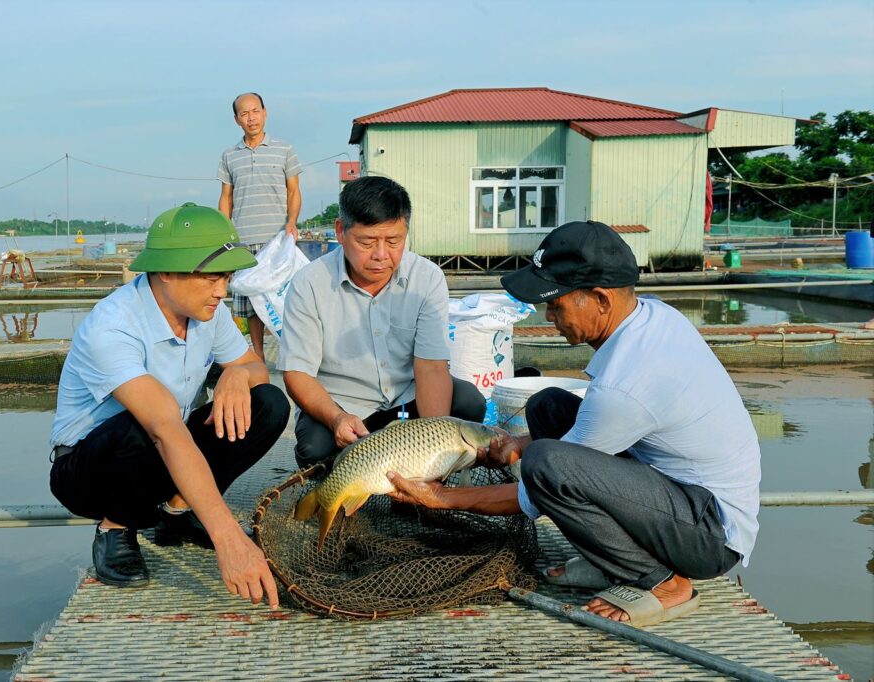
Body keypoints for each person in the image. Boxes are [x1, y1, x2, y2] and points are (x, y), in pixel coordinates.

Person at [387, 220, 761, 627]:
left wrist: (441, 498)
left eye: (557, 303)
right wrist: (519, 443)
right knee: (548, 407)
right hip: (680, 496)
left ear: (600, 298)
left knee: (546, 463)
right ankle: (613, 563)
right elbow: (588, 436)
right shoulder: (651, 316)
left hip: (710, 535)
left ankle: (664, 583)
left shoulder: (626, 386)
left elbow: (539, 487)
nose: (549, 316)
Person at [49, 203, 289, 607]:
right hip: (91, 467)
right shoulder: (113, 325)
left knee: (268, 404)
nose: (221, 291)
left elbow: (255, 369)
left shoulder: (207, 312)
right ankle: (115, 528)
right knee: (141, 427)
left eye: (226, 278)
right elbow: (162, 426)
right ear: (164, 271)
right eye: (211, 278)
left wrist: (235, 375)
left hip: (163, 448)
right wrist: (227, 535)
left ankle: (175, 514)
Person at [279, 175, 486, 468]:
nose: (380, 255)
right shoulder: (308, 284)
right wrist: (337, 417)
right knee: (315, 449)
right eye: (367, 242)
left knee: (468, 403)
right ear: (340, 231)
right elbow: (297, 373)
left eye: (393, 241)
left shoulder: (426, 279)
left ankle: (416, 489)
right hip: (343, 407)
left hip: (406, 399)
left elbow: (430, 366)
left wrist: (431, 452)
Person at [218, 92, 302, 361]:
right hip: (243, 240)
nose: (251, 117)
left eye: (255, 111)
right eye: (244, 113)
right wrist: (225, 234)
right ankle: (259, 355)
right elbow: (226, 197)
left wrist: (291, 222)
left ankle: (294, 353)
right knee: (250, 304)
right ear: (236, 120)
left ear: (265, 113)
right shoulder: (230, 156)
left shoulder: (284, 149)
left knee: (285, 299)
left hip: (277, 240)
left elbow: (294, 191)